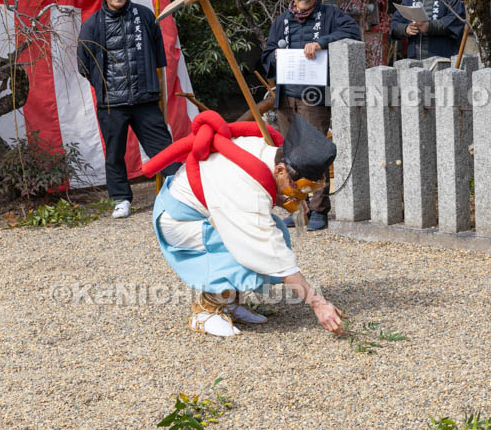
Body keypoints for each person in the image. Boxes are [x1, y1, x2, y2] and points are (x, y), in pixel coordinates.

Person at [143, 111, 345, 337]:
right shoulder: (244, 190)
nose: (302, 195)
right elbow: (271, 250)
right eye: (301, 188)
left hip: (202, 209)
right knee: (243, 248)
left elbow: (258, 189)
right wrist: (318, 303)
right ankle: (205, 312)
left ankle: (229, 302)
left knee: (276, 231)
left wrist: (287, 198)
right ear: (280, 169)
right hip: (179, 220)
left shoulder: (265, 153)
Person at [261, 0, 361, 231]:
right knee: (288, 153)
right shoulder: (281, 22)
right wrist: (275, 57)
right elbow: (266, 55)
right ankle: (297, 208)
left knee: (313, 153)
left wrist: (322, 42)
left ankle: (318, 209)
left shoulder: (330, 15)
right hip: (286, 96)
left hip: (314, 95)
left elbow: (353, 33)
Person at [77, 0, 177, 219]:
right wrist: (104, 86)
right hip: (111, 103)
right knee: (114, 153)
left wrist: (152, 88)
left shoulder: (144, 16)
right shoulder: (91, 26)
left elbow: (157, 58)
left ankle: (181, 190)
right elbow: (83, 64)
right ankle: (121, 198)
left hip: (145, 98)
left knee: (163, 148)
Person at [389, 0, 467, 59]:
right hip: (414, 59)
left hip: (443, 57)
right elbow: (394, 23)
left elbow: (456, 20)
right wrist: (406, 29)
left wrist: (429, 26)